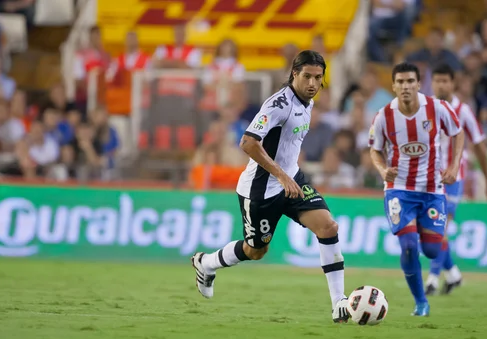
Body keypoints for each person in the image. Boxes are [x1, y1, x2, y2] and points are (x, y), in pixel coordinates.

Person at [192, 50, 350, 323]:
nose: (313, 83)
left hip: (292, 179)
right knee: (256, 251)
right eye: (307, 76)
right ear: (294, 74)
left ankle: (339, 303)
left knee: (328, 227)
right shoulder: (278, 105)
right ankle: (205, 263)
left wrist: (289, 175)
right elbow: (248, 143)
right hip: (260, 189)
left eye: (318, 78)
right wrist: (281, 176)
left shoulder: (308, 102)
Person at [368, 62, 465, 316]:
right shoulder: (383, 116)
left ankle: (430, 245)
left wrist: (454, 166)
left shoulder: (436, 108)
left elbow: (457, 132)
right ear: (393, 86)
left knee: (432, 249)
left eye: (410, 81)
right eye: (400, 82)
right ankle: (421, 301)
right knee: (409, 245)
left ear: (418, 84)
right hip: (398, 190)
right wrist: (381, 170)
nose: (405, 86)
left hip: (433, 190)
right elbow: (375, 149)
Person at [425, 64, 487, 296]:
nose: (441, 85)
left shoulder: (463, 110)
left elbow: (480, 148)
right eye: (437, 80)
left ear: (453, 83)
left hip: (454, 177)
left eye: (445, 80)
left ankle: (433, 279)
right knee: (427, 230)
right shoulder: (425, 107)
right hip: (428, 177)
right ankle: (453, 274)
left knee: (440, 228)